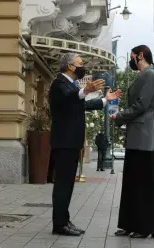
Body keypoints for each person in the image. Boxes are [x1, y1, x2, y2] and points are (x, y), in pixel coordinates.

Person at [48, 53, 121, 236]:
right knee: (63, 184)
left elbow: (83, 104)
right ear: (70, 66)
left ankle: (64, 220)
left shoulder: (71, 85)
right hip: (64, 142)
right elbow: (68, 98)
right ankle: (59, 224)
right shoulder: (59, 84)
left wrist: (106, 100)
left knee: (68, 184)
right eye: (80, 63)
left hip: (71, 142)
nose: (83, 66)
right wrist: (85, 90)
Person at [111, 45, 154, 239]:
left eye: (132, 57)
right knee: (131, 184)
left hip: (144, 137)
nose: (131, 60)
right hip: (137, 136)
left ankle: (145, 227)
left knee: (142, 185)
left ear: (140, 55)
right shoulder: (143, 75)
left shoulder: (150, 75)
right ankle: (129, 224)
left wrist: (120, 116)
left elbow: (142, 105)